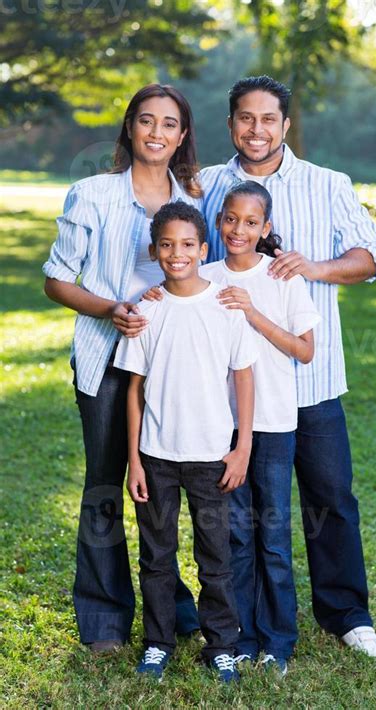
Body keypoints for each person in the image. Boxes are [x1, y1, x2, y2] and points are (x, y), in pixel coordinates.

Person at [199, 75, 376, 660]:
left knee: (330, 496)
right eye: (245, 118)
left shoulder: (327, 184)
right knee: (245, 516)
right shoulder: (207, 185)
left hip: (312, 376)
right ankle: (243, 624)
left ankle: (347, 615)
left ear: (286, 126)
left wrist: (312, 267)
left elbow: (370, 258)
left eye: (268, 119)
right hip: (236, 390)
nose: (256, 130)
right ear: (231, 124)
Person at [42, 84, 202, 651]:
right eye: (146, 121)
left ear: (182, 136)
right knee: (108, 485)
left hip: (180, 368)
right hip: (107, 360)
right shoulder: (91, 195)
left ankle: (177, 605)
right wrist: (112, 308)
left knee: (167, 489)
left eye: (169, 124)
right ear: (130, 128)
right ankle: (105, 617)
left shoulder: (197, 200)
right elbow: (56, 280)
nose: (156, 133)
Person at [114, 202, 257, 683]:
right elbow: (134, 391)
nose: (178, 254)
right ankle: (158, 643)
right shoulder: (147, 308)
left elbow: (244, 378)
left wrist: (243, 448)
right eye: (168, 245)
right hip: (156, 457)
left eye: (188, 244)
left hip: (210, 457)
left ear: (203, 248)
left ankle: (222, 645)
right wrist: (133, 459)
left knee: (215, 558)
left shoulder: (225, 307)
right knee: (156, 556)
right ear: (155, 251)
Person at [200, 180, 321, 676]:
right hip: (220, 427)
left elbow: (305, 349)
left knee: (271, 534)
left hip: (272, 423)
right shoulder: (203, 276)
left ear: (265, 227)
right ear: (219, 220)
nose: (239, 229)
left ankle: (278, 640)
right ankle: (241, 637)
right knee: (235, 535)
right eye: (231, 219)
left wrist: (252, 313)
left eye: (251, 222)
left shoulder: (282, 279)